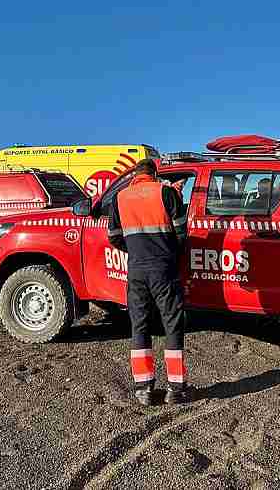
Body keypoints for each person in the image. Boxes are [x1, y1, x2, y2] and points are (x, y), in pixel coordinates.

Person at [108, 159, 189, 405]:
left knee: (140, 325)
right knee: (172, 324)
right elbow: (182, 233)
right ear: (155, 174)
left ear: (135, 175)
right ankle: (175, 389)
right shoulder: (165, 192)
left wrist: (135, 250)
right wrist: (168, 252)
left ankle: (143, 389)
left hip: (137, 269)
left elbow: (113, 237)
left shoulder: (120, 197)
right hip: (164, 269)